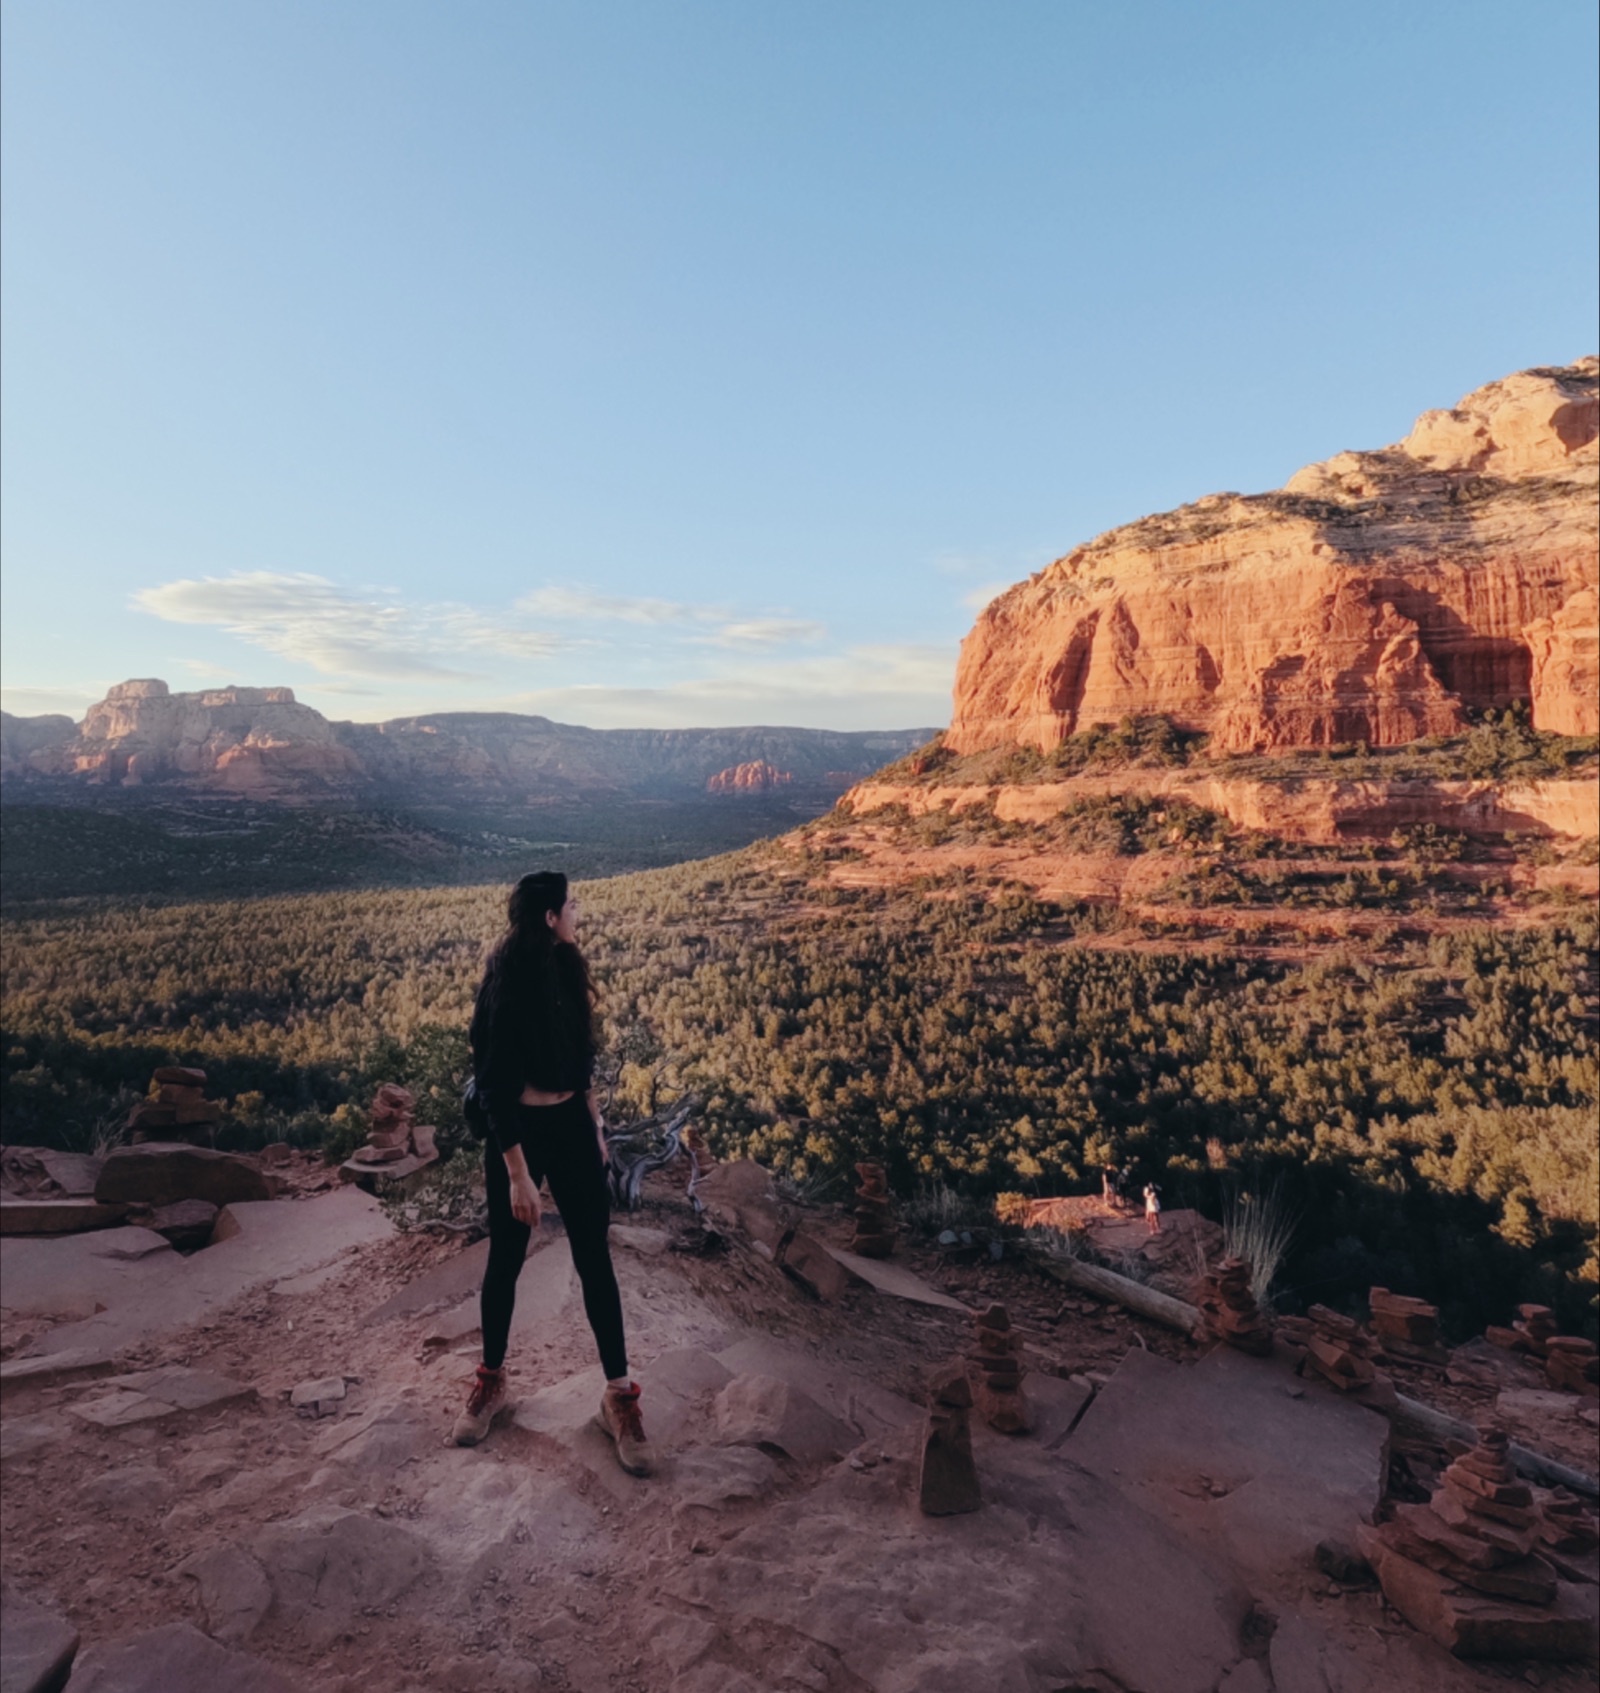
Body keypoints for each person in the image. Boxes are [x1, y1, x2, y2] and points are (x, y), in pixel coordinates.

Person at [452, 870, 652, 1475]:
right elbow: (493, 1086)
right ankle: (491, 1380)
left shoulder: (566, 966)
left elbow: (582, 1055)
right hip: (519, 1132)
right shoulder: (505, 983)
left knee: (594, 1257)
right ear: (548, 916)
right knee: (506, 1259)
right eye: (571, 905)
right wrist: (517, 1175)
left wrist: (595, 1124)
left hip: (569, 1126)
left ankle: (618, 1396)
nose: (577, 911)